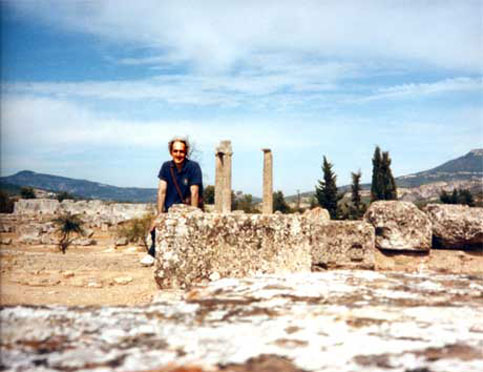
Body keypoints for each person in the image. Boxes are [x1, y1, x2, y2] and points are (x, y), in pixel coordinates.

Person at [140, 137, 203, 266]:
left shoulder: (193, 167)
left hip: (186, 209)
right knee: (155, 230)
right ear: (171, 152)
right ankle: (153, 253)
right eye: (175, 151)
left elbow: (194, 192)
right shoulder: (166, 167)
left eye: (181, 151)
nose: (178, 154)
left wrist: (193, 215)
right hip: (170, 209)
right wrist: (159, 215)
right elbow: (162, 191)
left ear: (185, 152)